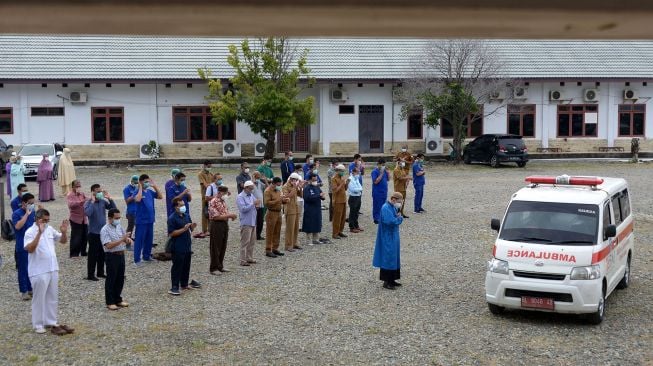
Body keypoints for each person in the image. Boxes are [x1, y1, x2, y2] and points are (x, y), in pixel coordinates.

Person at [24, 209, 74, 335]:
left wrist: (63, 232)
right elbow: (29, 249)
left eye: (47, 220)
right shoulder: (30, 232)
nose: (46, 223)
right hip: (38, 270)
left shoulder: (49, 229)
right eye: (44, 220)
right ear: (37, 218)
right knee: (39, 298)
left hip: (52, 268)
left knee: (52, 297)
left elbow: (62, 241)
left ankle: (50, 321)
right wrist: (39, 234)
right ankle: (38, 324)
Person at [167, 198, 201, 295]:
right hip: (177, 245)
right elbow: (172, 233)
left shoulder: (186, 215)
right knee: (177, 266)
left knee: (186, 265)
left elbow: (189, 228)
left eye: (183, 204)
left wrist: (192, 226)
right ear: (175, 207)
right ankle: (174, 286)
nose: (183, 207)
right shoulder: (172, 218)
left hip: (186, 244)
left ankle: (184, 284)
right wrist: (183, 229)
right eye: (180, 205)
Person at [100, 208, 132, 310]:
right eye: (116, 218)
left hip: (121, 254)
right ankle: (110, 301)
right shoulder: (105, 230)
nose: (118, 220)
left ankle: (118, 299)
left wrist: (127, 240)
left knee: (120, 278)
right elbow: (108, 245)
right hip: (111, 256)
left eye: (119, 218)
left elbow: (124, 238)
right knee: (111, 278)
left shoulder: (118, 226)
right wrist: (122, 239)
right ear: (110, 218)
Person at [84, 184, 116, 281]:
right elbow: (87, 213)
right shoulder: (88, 203)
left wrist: (109, 198)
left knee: (102, 253)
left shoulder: (102, 201)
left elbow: (113, 210)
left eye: (100, 191)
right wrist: (93, 202)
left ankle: (100, 272)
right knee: (92, 255)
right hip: (93, 233)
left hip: (103, 233)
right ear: (93, 192)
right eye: (98, 191)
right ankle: (90, 274)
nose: (100, 193)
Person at [372, 192, 404, 290]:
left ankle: (392, 279)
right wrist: (400, 218)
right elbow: (390, 221)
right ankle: (386, 281)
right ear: (393, 199)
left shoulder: (393, 207)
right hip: (387, 236)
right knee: (388, 256)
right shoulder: (385, 208)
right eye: (399, 201)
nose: (399, 203)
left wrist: (398, 216)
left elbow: (395, 216)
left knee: (394, 256)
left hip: (393, 235)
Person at [133, 174, 163, 267]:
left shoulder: (150, 192)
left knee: (149, 239)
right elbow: (137, 199)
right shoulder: (137, 191)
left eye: (148, 181)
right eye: (145, 181)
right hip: (141, 220)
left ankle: (146, 256)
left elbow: (160, 196)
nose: (147, 183)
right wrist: (140, 187)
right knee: (139, 240)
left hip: (150, 219)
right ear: (141, 182)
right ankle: (137, 260)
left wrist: (154, 186)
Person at [208, 186, 237, 274]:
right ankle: (214, 268)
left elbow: (224, 212)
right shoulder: (213, 201)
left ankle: (220, 265)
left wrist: (229, 216)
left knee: (223, 245)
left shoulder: (222, 201)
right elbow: (215, 216)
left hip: (224, 224)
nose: (226, 195)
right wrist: (229, 215)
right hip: (216, 224)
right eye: (225, 193)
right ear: (220, 192)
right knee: (215, 246)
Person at [12, 193, 36, 300]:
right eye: (30, 203)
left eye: (33, 203)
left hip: (32, 244)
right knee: (23, 268)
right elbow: (17, 226)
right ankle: (24, 291)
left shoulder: (33, 212)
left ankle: (31, 288)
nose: (32, 205)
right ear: (23, 203)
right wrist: (26, 214)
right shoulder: (16, 213)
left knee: (32, 267)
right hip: (22, 245)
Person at [236, 181, 260, 266]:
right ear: (245, 188)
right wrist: (253, 204)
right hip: (246, 222)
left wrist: (256, 205)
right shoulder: (240, 197)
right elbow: (243, 209)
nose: (251, 190)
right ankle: (242, 260)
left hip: (253, 221)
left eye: (252, 189)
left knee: (252, 241)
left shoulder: (251, 195)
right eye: (250, 189)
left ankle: (249, 258)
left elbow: (255, 204)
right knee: (245, 242)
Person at [302, 173, 325, 245]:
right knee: (309, 223)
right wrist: (318, 195)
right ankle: (308, 240)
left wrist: (322, 197)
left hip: (317, 208)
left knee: (317, 222)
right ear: (310, 180)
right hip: (309, 208)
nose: (316, 181)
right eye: (314, 179)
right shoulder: (307, 188)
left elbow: (321, 194)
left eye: (316, 179)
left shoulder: (317, 187)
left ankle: (316, 239)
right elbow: (307, 198)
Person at [67, 180, 88, 257]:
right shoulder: (70, 195)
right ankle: (74, 253)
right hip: (75, 219)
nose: (78, 187)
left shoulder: (82, 194)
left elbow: (88, 199)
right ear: (73, 187)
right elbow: (71, 205)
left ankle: (83, 251)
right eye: (77, 186)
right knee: (76, 236)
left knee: (85, 236)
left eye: (79, 186)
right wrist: (81, 202)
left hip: (84, 218)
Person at [264, 177, 284, 257]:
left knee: (277, 231)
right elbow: (267, 203)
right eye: (279, 184)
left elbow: (280, 200)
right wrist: (279, 200)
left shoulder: (278, 190)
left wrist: (284, 200)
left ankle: (275, 248)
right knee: (270, 232)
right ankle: (268, 250)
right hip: (271, 213)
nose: (280, 185)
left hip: (278, 212)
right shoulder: (268, 191)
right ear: (275, 183)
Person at [282, 173, 302, 251]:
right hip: (289, 209)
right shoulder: (285, 186)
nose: (295, 181)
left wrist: (300, 187)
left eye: (296, 180)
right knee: (290, 228)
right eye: (294, 179)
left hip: (296, 208)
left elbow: (300, 195)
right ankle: (288, 245)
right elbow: (287, 196)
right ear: (290, 179)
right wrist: (294, 188)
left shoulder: (295, 186)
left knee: (296, 227)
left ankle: (295, 243)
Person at [331, 164, 348, 240]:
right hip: (337, 201)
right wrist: (341, 183)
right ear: (338, 171)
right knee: (337, 218)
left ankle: (340, 231)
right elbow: (335, 190)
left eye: (343, 171)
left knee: (343, 217)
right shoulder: (334, 178)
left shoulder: (342, 178)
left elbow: (345, 189)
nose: (343, 172)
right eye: (342, 171)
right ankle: (335, 233)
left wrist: (347, 183)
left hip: (343, 199)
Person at [371, 159, 390, 224]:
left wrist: (388, 172)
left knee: (383, 205)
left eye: (384, 165)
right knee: (377, 205)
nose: (383, 166)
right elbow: (376, 182)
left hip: (384, 191)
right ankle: (376, 218)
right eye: (382, 165)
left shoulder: (384, 171)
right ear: (378, 164)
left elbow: (388, 179)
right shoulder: (374, 171)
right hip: (377, 192)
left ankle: (381, 217)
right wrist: (381, 173)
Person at [122, 175, 139, 247]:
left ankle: (138, 242)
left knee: (139, 227)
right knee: (130, 228)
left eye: (137, 183)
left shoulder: (137, 187)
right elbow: (127, 201)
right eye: (135, 182)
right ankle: (127, 243)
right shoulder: (127, 189)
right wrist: (134, 194)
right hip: (131, 211)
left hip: (138, 211)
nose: (136, 184)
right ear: (131, 181)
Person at [197, 160, 213, 238]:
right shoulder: (201, 174)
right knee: (204, 213)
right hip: (205, 196)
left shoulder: (210, 174)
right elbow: (205, 185)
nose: (210, 168)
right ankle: (204, 230)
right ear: (205, 165)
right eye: (208, 166)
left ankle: (210, 230)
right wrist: (211, 185)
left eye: (210, 166)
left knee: (211, 212)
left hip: (211, 197)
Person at [347, 166, 363, 233]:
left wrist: (359, 189)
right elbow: (353, 189)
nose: (358, 174)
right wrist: (359, 189)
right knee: (352, 213)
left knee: (356, 212)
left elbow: (360, 187)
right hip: (353, 197)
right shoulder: (350, 179)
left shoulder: (356, 179)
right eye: (357, 172)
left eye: (359, 172)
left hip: (358, 197)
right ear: (353, 172)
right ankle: (352, 227)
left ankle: (356, 226)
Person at [252, 171, 266, 240]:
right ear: (254, 176)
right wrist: (253, 181)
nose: (258, 177)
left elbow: (267, 187)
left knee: (260, 221)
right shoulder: (251, 184)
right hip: (254, 206)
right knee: (254, 221)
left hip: (261, 205)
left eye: (259, 176)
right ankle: (253, 235)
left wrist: (265, 180)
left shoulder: (260, 183)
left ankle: (258, 235)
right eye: (257, 176)